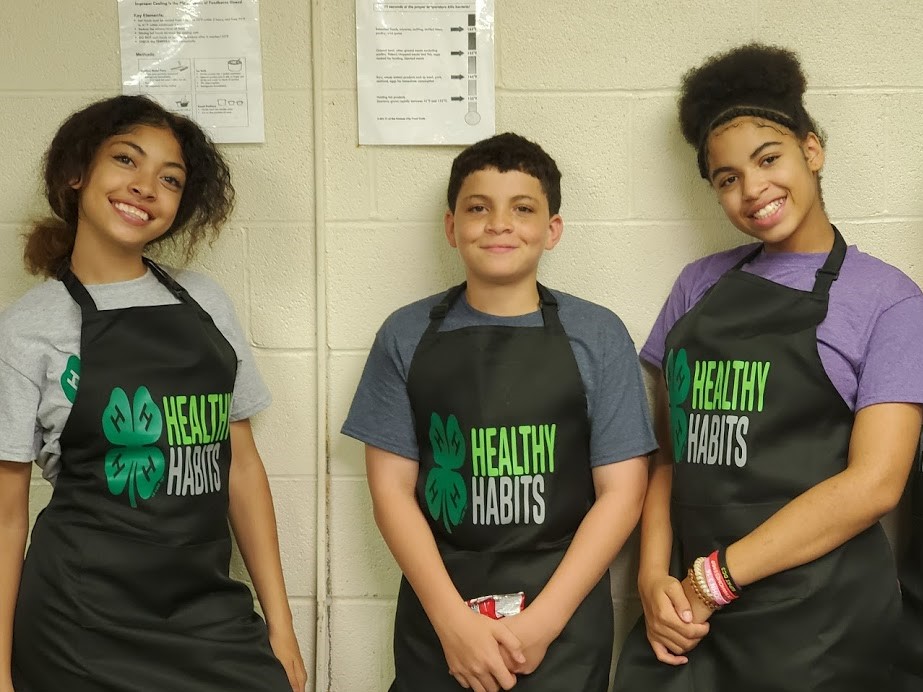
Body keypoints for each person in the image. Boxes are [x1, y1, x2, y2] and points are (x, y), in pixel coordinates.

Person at [612, 43, 923, 691]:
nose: (752, 190)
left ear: (812, 150)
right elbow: (671, 458)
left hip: (817, 625)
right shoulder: (696, 286)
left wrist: (710, 580)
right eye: (726, 178)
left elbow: (874, 486)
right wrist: (651, 580)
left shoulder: (888, 300)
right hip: (687, 623)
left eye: (768, 158)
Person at [0, 95, 307, 692]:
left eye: (169, 178)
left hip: (205, 612)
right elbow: (6, 516)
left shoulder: (206, 303)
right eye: (125, 161)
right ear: (76, 174)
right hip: (78, 624)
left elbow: (240, 467)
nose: (146, 186)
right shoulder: (28, 327)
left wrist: (281, 628)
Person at [342, 132, 654, 691]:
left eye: (523, 208)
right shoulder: (405, 334)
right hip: (441, 613)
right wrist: (453, 623)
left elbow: (623, 492)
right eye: (478, 208)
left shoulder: (597, 335)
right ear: (451, 226)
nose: (499, 224)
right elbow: (390, 492)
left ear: (552, 230)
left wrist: (544, 622)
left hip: (561, 617)